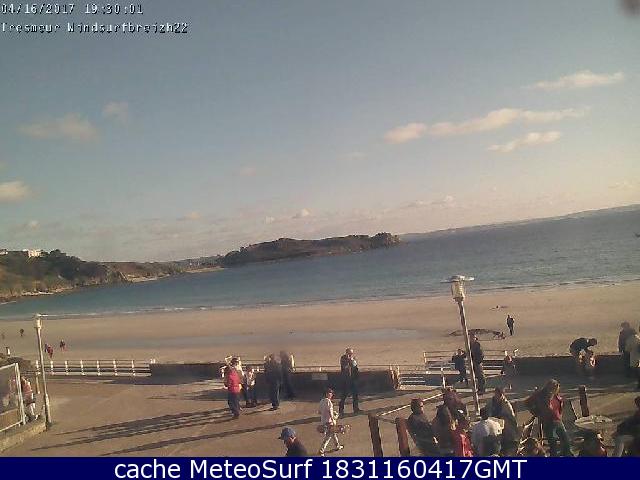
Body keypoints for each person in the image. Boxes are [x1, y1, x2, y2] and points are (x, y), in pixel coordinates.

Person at [525, 379, 572, 456]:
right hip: (548, 422)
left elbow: (559, 405)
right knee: (553, 444)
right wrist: (536, 412)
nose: (555, 390)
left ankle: (567, 454)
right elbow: (527, 402)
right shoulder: (540, 395)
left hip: (558, 420)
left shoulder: (556, 395)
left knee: (566, 441)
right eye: (554, 388)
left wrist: (559, 414)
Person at [486, 387, 519, 455]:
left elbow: (511, 417)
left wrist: (502, 418)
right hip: (493, 420)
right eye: (496, 394)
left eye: (499, 395)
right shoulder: (491, 402)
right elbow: (487, 410)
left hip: (503, 423)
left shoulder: (506, 404)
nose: (497, 396)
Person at [318, 388, 344, 456]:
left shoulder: (321, 401)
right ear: (327, 394)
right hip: (329, 422)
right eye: (330, 394)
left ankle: (337, 446)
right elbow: (329, 411)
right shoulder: (328, 402)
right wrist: (333, 419)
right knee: (328, 436)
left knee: (333, 434)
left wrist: (330, 412)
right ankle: (321, 450)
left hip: (324, 421)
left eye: (331, 394)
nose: (331, 395)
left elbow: (319, 412)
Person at [338, 348, 361, 417]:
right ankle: (341, 410)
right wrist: (348, 360)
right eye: (349, 353)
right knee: (344, 395)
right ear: (346, 353)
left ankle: (356, 408)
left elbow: (355, 366)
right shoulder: (343, 358)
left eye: (351, 353)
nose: (351, 354)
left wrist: (352, 360)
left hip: (353, 379)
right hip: (346, 380)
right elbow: (345, 367)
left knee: (355, 395)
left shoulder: (353, 358)